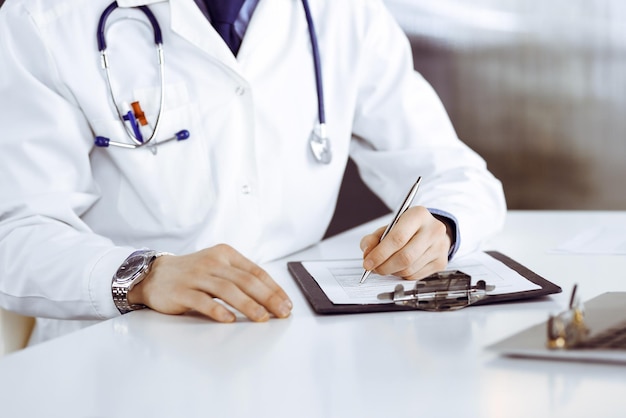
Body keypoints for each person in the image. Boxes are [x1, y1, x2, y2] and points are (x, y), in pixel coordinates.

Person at [0, 0, 506, 344]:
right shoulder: (45, 16)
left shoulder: (341, 12)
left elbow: (459, 174)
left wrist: (441, 226)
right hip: (108, 355)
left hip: (288, 344)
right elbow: (15, 233)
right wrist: (145, 275)